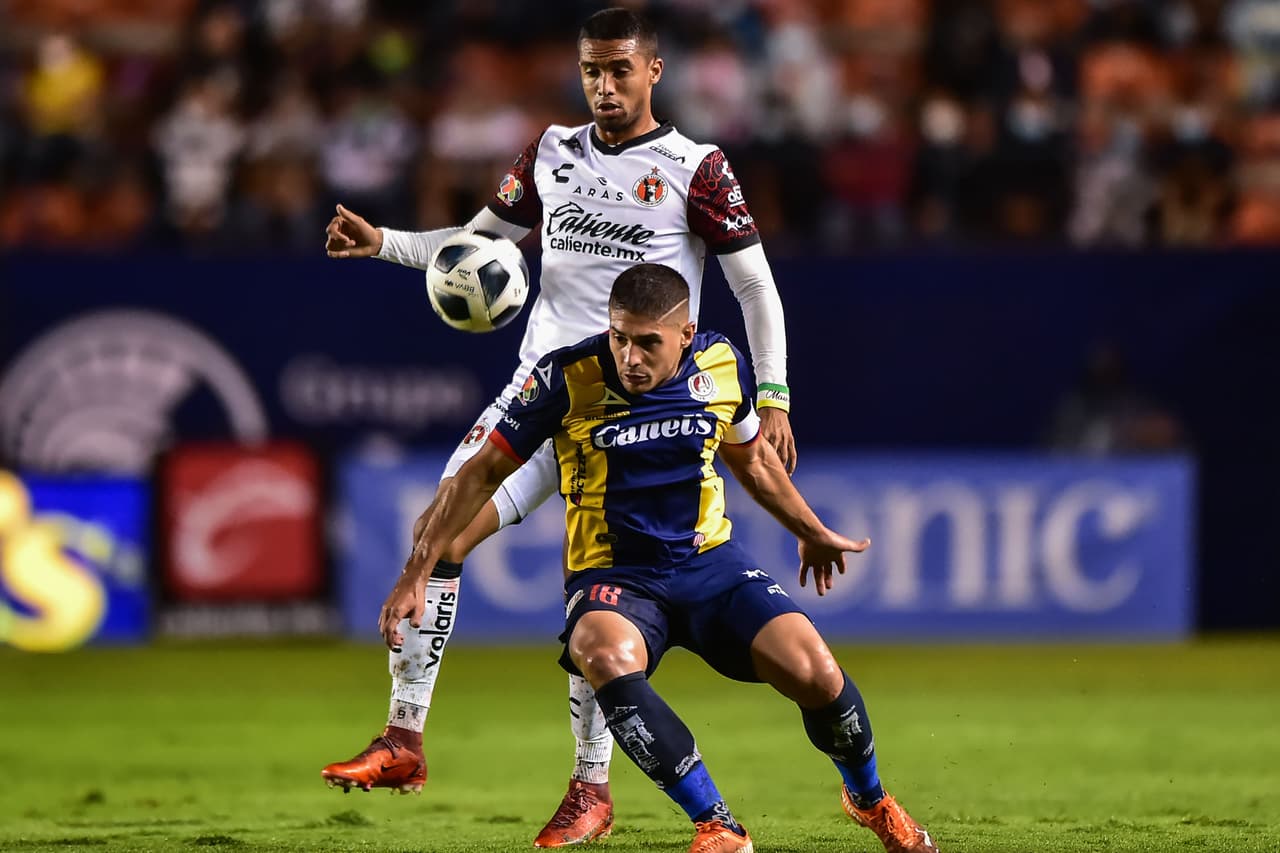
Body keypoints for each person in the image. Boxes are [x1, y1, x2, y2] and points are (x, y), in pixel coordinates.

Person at [320, 8, 796, 847]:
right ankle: (403, 739)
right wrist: (385, 243)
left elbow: (755, 286)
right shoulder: (549, 152)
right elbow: (477, 246)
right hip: (541, 392)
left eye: (619, 70)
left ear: (653, 70)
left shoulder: (697, 169)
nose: (603, 86)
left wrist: (775, 392)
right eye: (591, 71)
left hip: (629, 409)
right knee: (440, 529)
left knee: (604, 590)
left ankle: (590, 788)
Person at [378, 264, 939, 853]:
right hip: (615, 576)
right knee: (598, 650)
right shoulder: (566, 377)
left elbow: (753, 461)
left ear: (686, 334)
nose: (630, 357)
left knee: (817, 672)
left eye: (648, 342)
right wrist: (417, 570)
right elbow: (480, 474)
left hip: (709, 564)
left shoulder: (721, 364)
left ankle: (871, 801)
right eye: (620, 337)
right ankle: (718, 825)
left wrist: (812, 530)